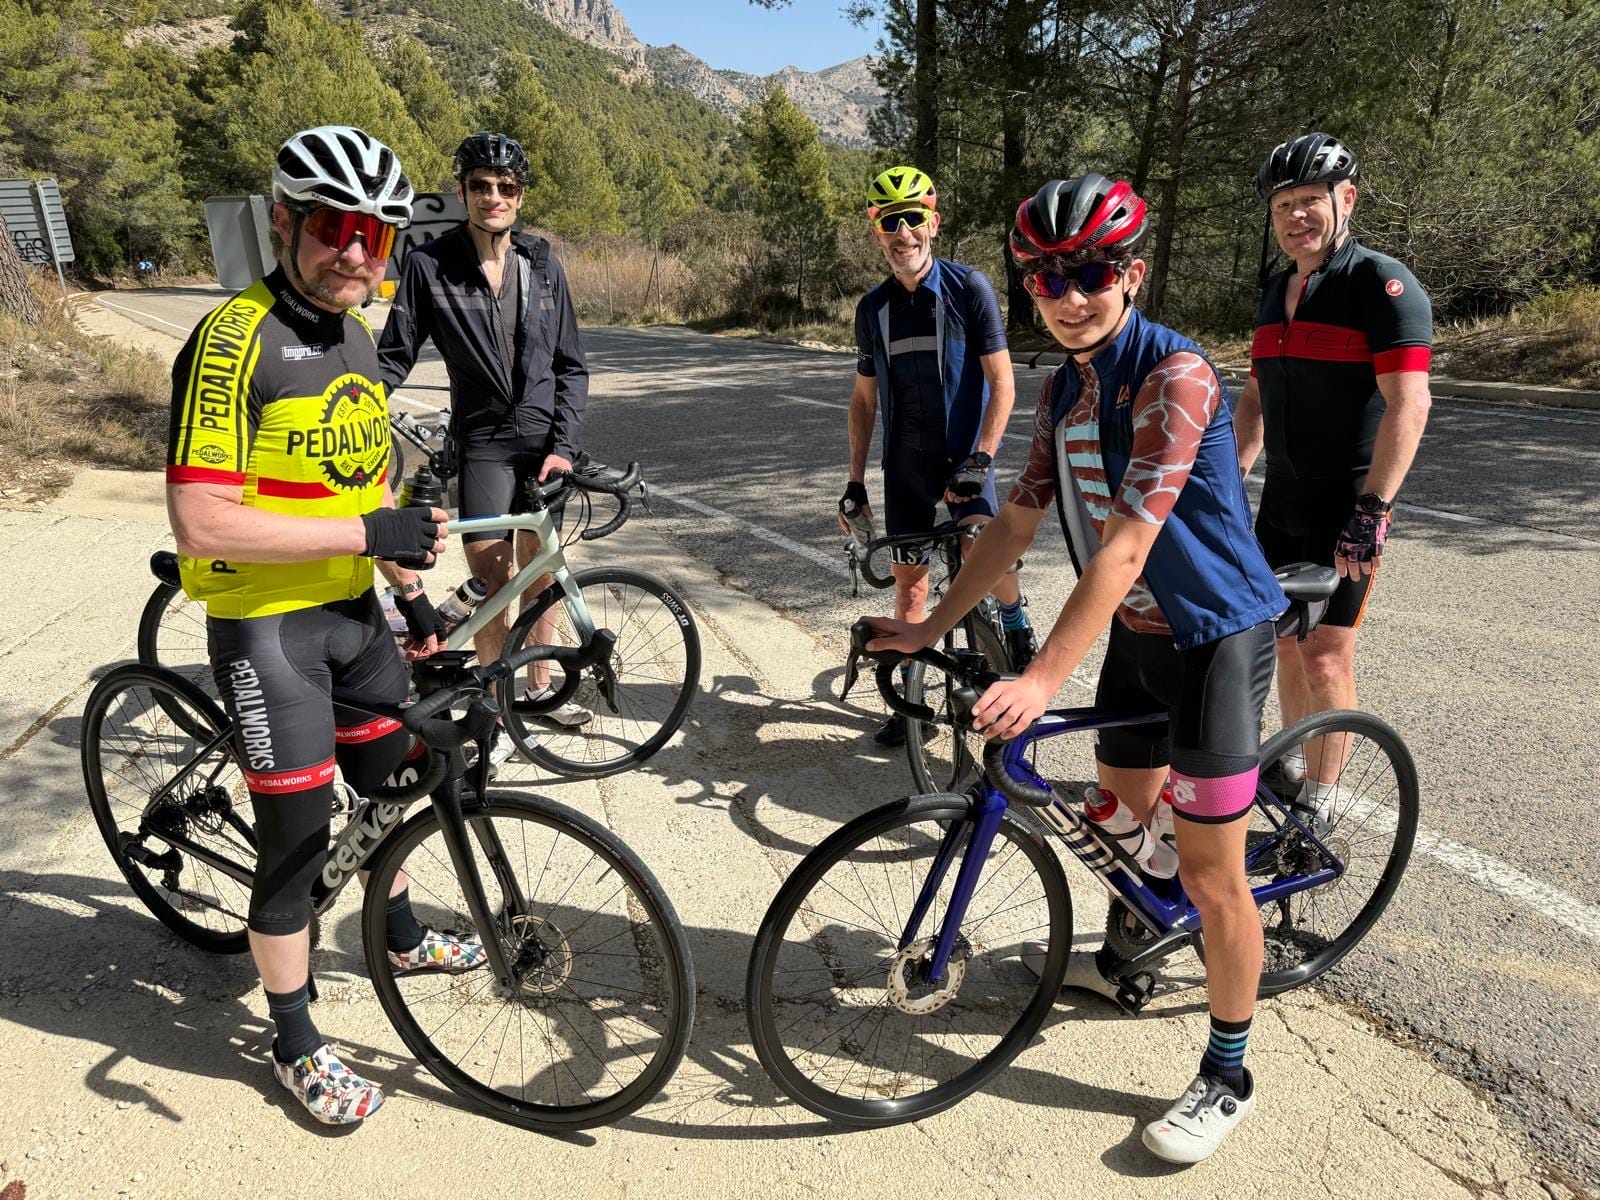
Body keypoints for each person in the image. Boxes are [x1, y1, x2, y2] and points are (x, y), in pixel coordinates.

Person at [866, 175, 1288, 1163]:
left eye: (1091, 273)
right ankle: (1127, 957)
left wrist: (1042, 678)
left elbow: (1126, 548)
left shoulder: (1176, 375)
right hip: (1141, 635)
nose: (1069, 296)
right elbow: (1013, 524)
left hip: (1216, 638)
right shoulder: (1063, 385)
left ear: (1131, 274)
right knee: (1121, 822)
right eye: (1046, 278)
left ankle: (1229, 1073)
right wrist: (928, 629)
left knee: (1210, 875)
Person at [167, 126, 485, 1126]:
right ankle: (293, 1038)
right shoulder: (234, 341)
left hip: (352, 613)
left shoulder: (355, 336)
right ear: (283, 222)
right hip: (268, 626)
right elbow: (202, 520)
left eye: (374, 235)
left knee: (395, 783)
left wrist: (411, 593)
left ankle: (397, 932)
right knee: (297, 848)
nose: (354, 252)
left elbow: (363, 485)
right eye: (333, 227)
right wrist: (367, 531)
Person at [378, 131, 592, 772]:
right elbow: (393, 357)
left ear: (520, 195)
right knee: (495, 579)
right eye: (480, 185)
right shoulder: (429, 265)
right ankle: (493, 715)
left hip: (544, 443)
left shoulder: (543, 263)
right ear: (462, 192)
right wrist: (349, 403)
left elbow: (571, 365)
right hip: (484, 445)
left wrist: (565, 447)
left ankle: (539, 689)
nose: (493, 196)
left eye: (506, 186)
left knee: (542, 572)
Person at [1233, 133, 1432, 812]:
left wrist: (1373, 509)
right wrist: (1228, 480)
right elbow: (1256, 396)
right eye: (1282, 204)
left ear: (1346, 199)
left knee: (1324, 653)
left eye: (1309, 200)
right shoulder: (1275, 289)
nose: (1295, 216)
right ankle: (1291, 765)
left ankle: (1320, 803)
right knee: (1284, 641)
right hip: (1281, 499)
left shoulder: (1382, 285)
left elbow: (1410, 403)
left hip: (1347, 501)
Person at [844, 164, 1035, 746]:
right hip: (905, 467)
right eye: (890, 223)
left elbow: (1003, 384)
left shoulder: (968, 288)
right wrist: (854, 481)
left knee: (988, 558)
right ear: (877, 233)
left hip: (966, 461)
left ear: (933, 223)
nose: (903, 233)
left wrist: (982, 458)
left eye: (913, 219)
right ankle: (911, 704)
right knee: (910, 588)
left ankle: (1015, 621)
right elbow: (863, 400)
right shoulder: (872, 309)